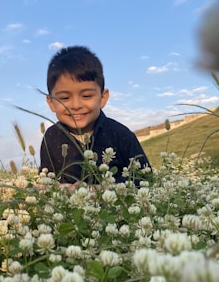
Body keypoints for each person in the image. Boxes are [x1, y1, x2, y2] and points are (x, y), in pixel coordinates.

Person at [40, 45, 152, 185]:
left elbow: (146, 180)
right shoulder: (51, 138)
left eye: (86, 96)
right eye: (64, 98)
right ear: (51, 103)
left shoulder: (120, 134)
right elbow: (45, 183)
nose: (76, 105)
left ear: (103, 97)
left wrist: (101, 190)